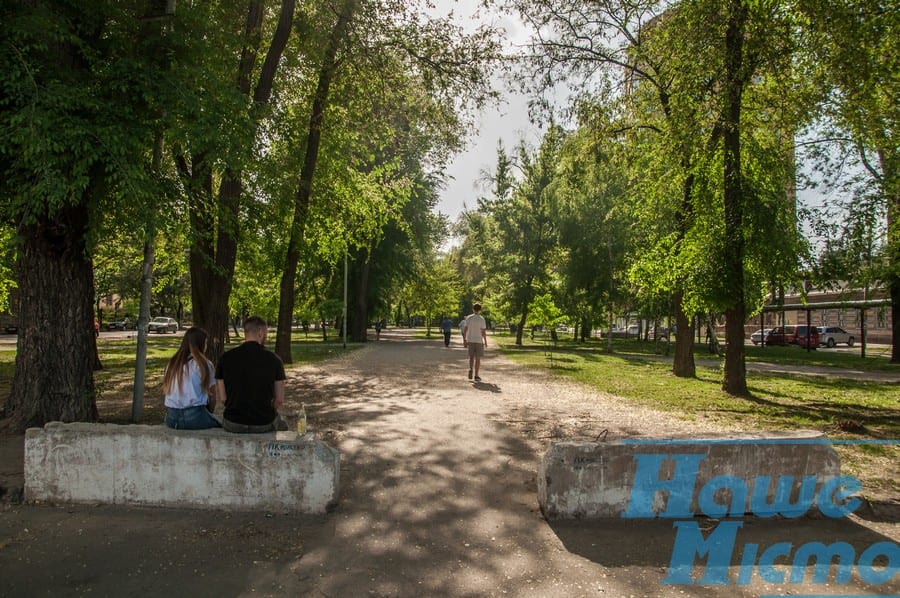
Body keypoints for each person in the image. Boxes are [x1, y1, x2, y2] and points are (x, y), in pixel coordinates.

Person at [216, 316, 288, 433]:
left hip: (233, 423)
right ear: (260, 333)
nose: (266, 336)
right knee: (283, 425)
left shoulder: (225, 358)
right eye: (266, 333)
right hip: (263, 423)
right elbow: (279, 399)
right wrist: (266, 412)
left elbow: (223, 398)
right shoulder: (274, 359)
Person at [163, 327, 221, 430]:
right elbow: (213, 397)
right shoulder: (204, 364)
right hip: (195, 416)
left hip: (171, 417)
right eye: (206, 343)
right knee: (220, 425)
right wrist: (208, 413)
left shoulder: (171, 364)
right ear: (201, 344)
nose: (207, 346)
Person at [461, 303, 488, 381]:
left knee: (471, 357)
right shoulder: (482, 319)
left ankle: (470, 369)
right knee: (478, 358)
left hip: (470, 340)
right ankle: (476, 375)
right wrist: (485, 341)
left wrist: (465, 340)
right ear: (480, 310)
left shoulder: (469, 318)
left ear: (473, 309)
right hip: (478, 340)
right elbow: (483, 332)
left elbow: (465, 329)